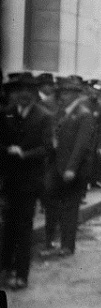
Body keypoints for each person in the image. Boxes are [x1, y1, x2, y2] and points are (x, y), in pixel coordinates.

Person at [0, 74, 54, 290]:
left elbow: (47, 148)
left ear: (33, 94)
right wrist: (7, 151)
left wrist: (25, 154)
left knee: (24, 228)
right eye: (20, 90)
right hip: (10, 180)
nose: (23, 94)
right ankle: (6, 268)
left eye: (27, 91)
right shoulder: (7, 115)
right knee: (8, 225)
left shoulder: (44, 117)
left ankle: (22, 274)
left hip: (30, 181)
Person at [43, 77, 95, 258]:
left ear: (75, 95)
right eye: (61, 93)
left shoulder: (84, 114)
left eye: (66, 93)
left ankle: (67, 245)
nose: (62, 96)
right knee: (51, 203)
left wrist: (72, 168)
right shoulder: (62, 113)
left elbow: (81, 145)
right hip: (56, 165)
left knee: (70, 208)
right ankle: (50, 242)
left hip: (74, 169)